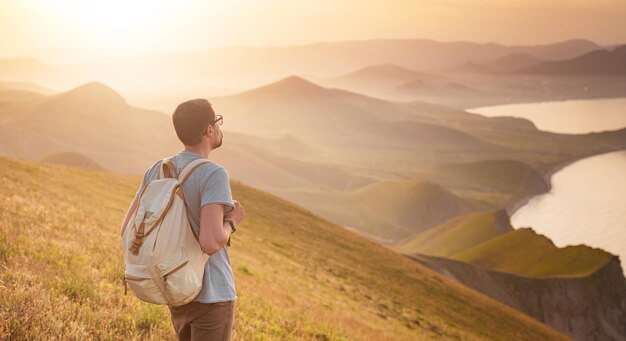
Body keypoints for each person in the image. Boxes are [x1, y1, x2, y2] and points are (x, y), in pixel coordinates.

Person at [120, 98, 245, 341]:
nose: (219, 127)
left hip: (175, 287)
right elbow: (210, 242)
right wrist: (232, 222)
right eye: (217, 121)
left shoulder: (157, 169)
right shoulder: (213, 174)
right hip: (211, 296)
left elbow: (127, 228)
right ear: (209, 130)